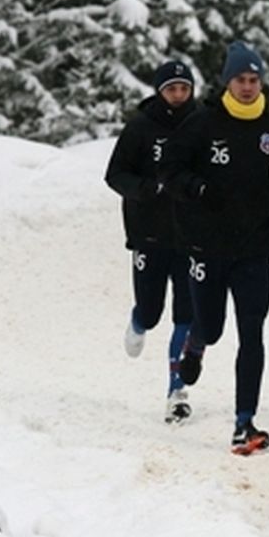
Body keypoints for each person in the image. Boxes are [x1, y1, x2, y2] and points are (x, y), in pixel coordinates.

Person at [160, 41, 269, 455]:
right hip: (206, 244)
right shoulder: (203, 123)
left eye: (254, 80)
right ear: (227, 81)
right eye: (241, 79)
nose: (247, 87)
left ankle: (245, 423)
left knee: (252, 332)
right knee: (212, 324)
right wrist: (197, 187)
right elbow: (171, 168)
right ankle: (197, 344)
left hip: (255, 246)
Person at [104, 60, 199, 424]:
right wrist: (145, 190)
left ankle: (176, 391)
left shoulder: (201, 124)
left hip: (190, 237)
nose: (178, 95)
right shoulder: (141, 128)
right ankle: (138, 321)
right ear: (160, 91)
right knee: (151, 310)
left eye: (184, 88)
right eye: (171, 89)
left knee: (186, 316)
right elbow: (115, 174)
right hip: (149, 234)